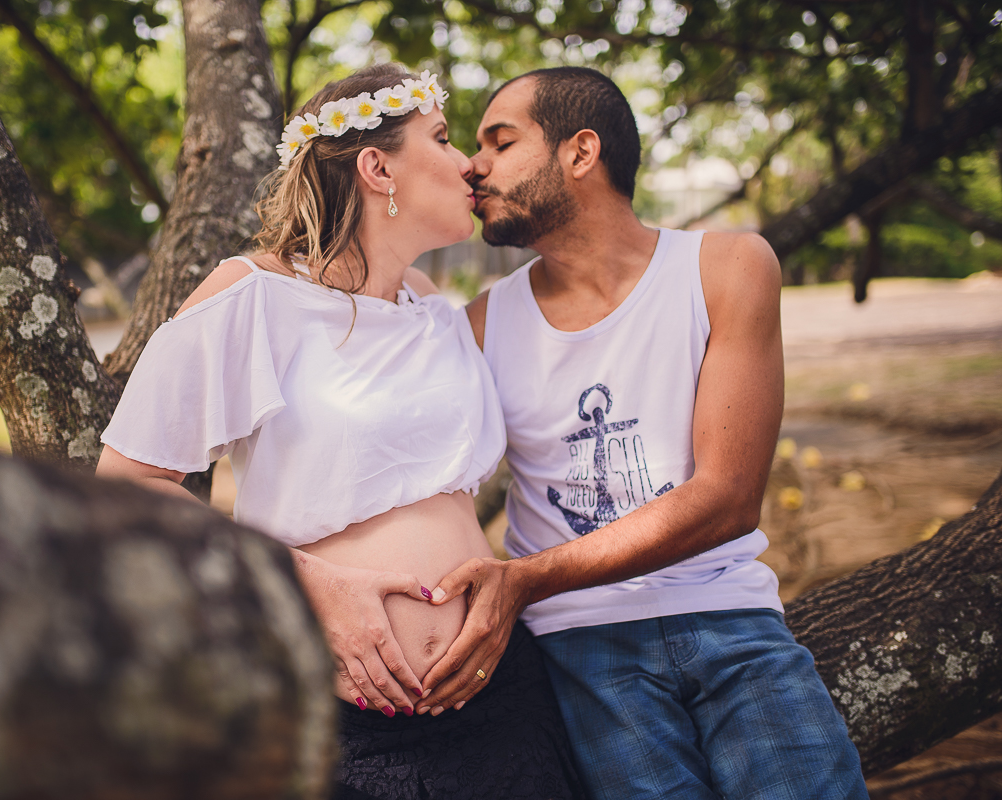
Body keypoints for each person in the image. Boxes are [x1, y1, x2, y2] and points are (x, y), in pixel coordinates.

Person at [95, 64, 583, 800]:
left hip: (500, 690)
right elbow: (127, 488)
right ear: (377, 166)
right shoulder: (253, 296)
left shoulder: (434, 306)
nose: (468, 164)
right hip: (343, 707)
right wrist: (308, 585)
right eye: (445, 139)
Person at [410, 68, 869, 799]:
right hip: (580, 649)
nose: (474, 164)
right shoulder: (482, 327)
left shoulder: (724, 269)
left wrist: (524, 579)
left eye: (500, 141)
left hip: (730, 620)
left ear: (581, 153)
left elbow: (726, 498)